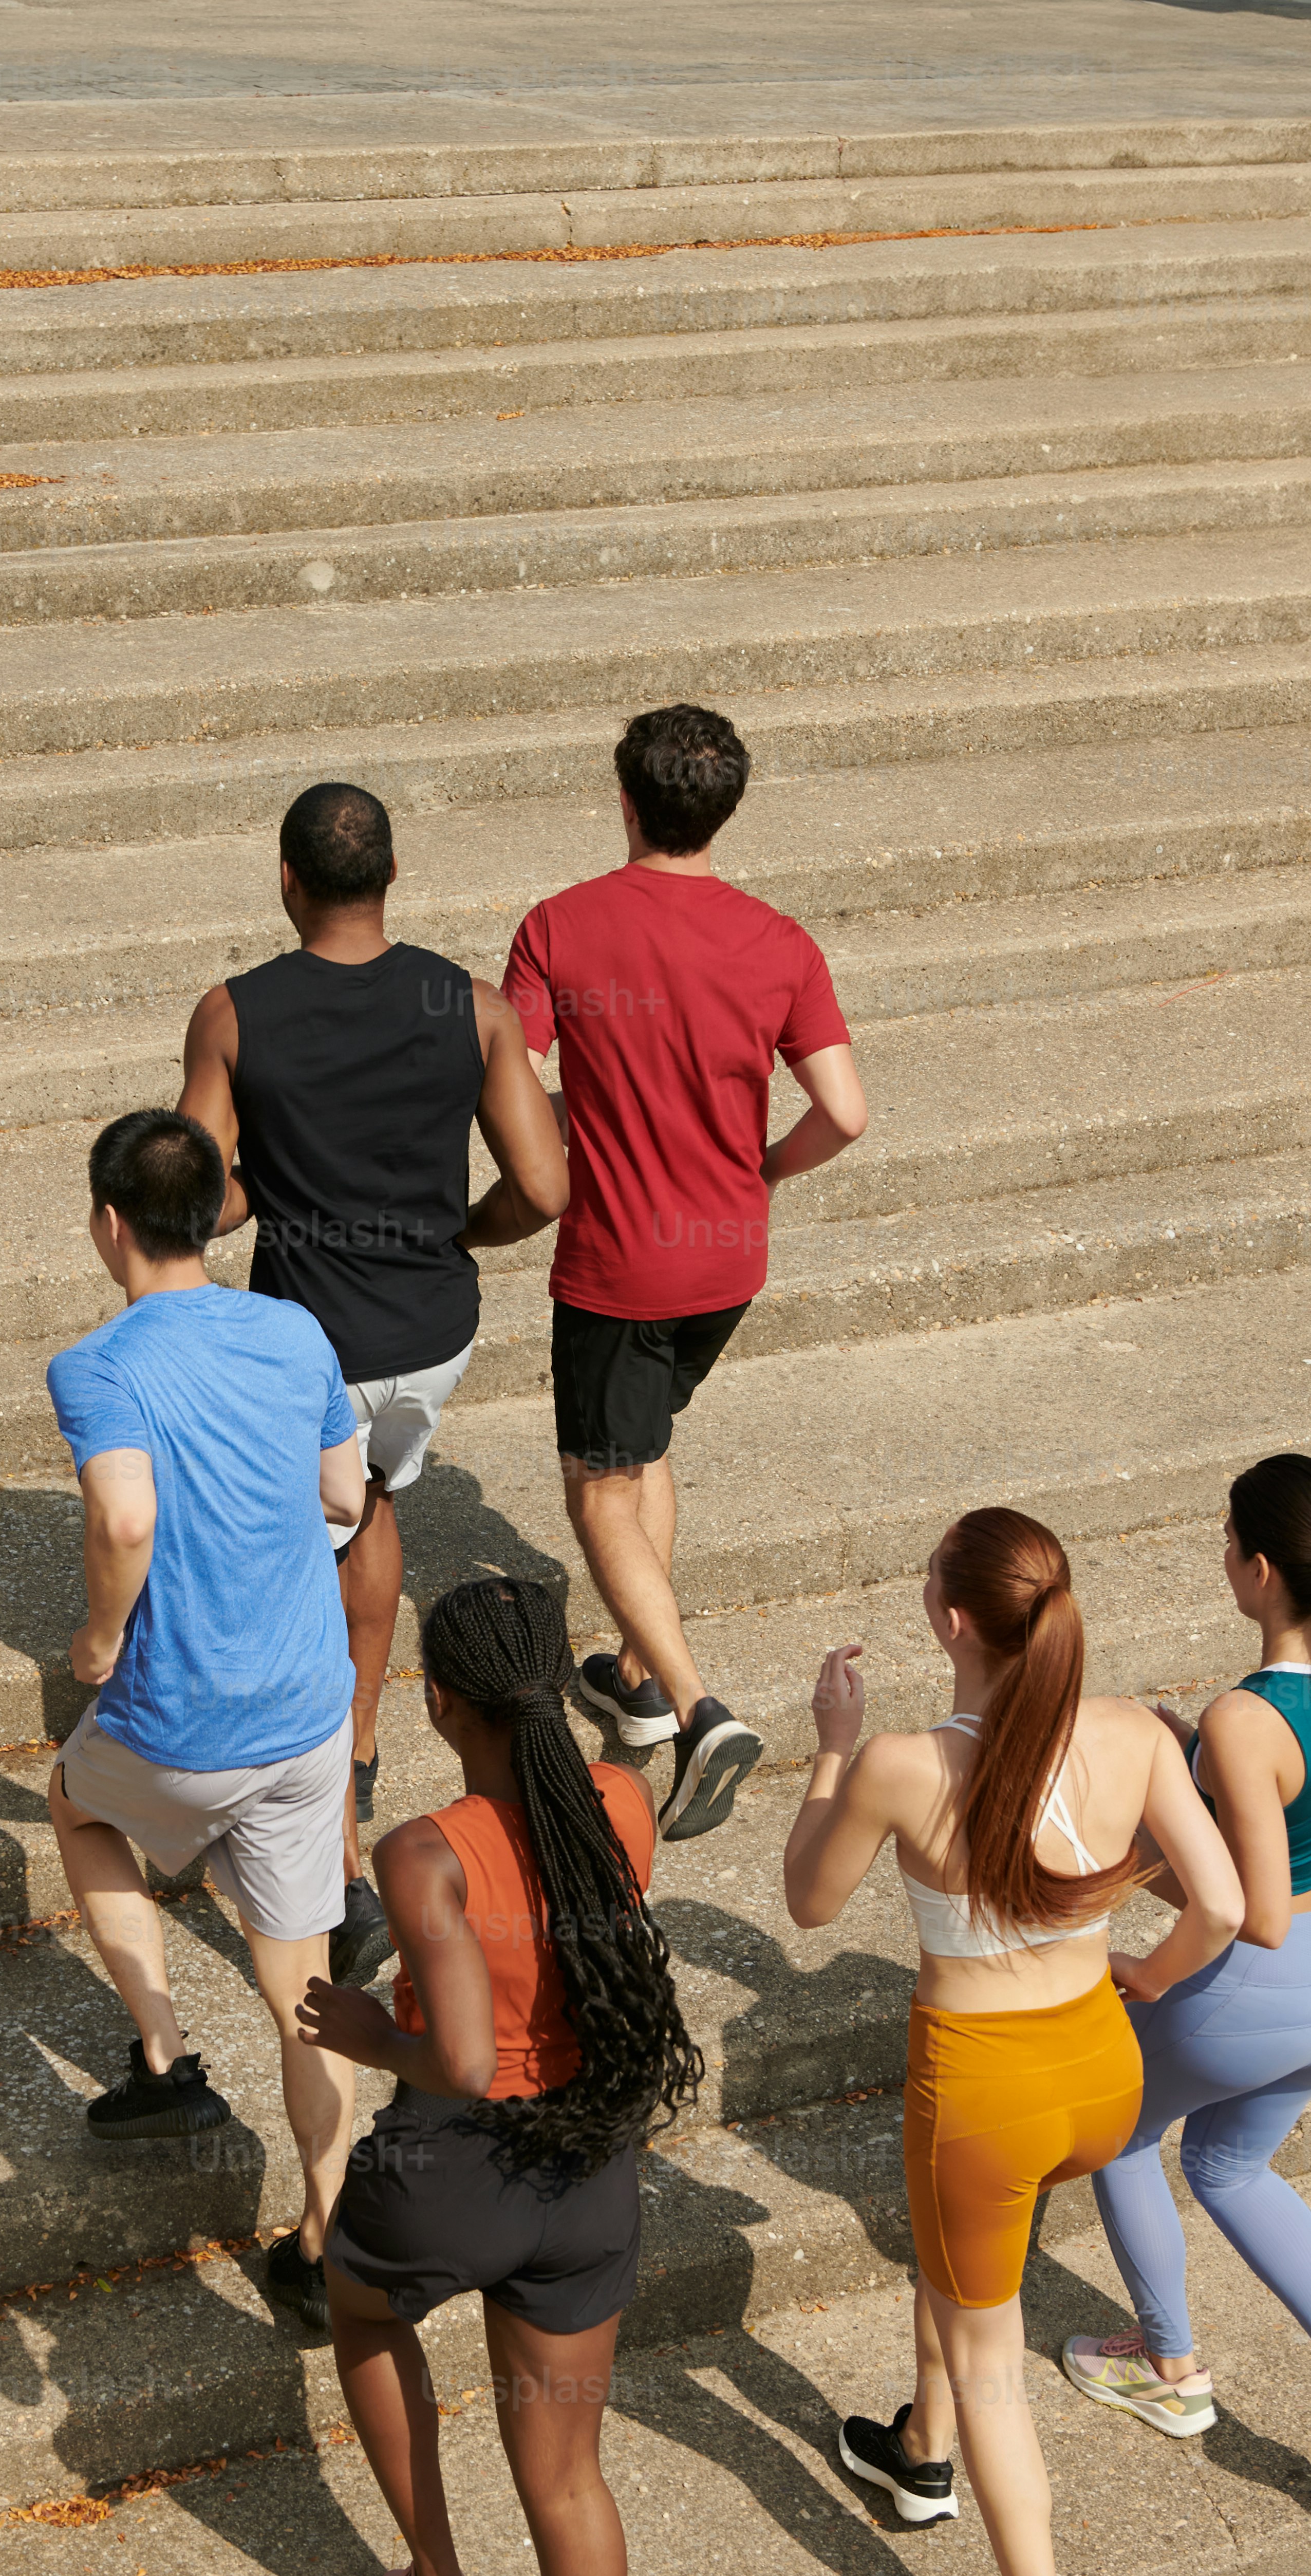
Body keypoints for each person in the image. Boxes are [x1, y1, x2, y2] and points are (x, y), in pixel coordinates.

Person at [782, 1508, 1245, 2576]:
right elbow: (1220, 1903)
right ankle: (917, 2448)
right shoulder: (1134, 1733)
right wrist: (1144, 1974)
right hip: (1098, 2073)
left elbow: (808, 1902)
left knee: (993, 2359)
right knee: (961, 2263)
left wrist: (829, 1751)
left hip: (979, 2095)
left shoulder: (899, 1764)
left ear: (949, 1621)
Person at [296, 1575, 700, 2576]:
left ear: (436, 1704)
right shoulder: (621, 1801)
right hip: (586, 2173)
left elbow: (464, 2057)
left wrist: (370, 2033)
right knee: (568, 2480)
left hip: (451, 2167)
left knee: (361, 2307)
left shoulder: (423, 1851)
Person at [181, 780, 569, 1983]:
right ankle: (355, 1750)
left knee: (298, 1568)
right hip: (431, 1331)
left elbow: (196, 1198)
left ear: (285, 881)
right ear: (392, 876)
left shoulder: (234, 1013)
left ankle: (332, 1858)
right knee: (375, 1505)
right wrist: (462, 1232)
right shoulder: (475, 1006)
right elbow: (544, 1189)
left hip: (311, 1346)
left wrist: (265, 1180)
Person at [502, 703, 868, 1842]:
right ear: (725, 810)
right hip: (727, 1260)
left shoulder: (559, 928)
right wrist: (762, 1170)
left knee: (599, 1484)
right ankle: (631, 1676)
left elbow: (509, 1081)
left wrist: (568, 1127)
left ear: (625, 801)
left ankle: (698, 1708)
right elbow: (845, 1112)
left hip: (619, 1267)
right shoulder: (779, 943)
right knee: (647, 1446)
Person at [1068, 1453, 1311, 2523]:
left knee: (1123, 2136)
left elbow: (1251, 1911)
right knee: (1228, 2165)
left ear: (1263, 1569)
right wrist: (1202, 1764)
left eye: (1229, 1542)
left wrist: (1143, 1969)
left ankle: (1169, 2369)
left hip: (1254, 1989)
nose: (1223, 1556)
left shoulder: (1246, 1717)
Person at [44, 1109, 365, 2333]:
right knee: (305, 1990)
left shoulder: (99, 1366)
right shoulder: (291, 1328)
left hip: (181, 1720)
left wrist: (98, 1639)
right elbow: (343, 1494)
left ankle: (164, 2057)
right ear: (215, 1215)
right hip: (309, 1710)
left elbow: (124, 1519)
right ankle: (326, 2243)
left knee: (74, 1804)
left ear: (108, 1224)